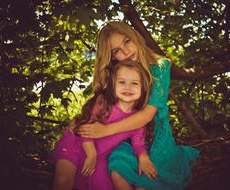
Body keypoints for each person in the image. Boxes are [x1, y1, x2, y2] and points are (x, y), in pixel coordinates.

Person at [75, 21, 200, 190]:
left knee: (144, 182)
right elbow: (98, 105)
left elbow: (147, 115)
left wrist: (105, 130)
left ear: (135, 36)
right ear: (112, 56)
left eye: (127, 41)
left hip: (154, 138)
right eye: (116, 50)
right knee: (118, 172)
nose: (125, 51)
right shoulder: (118, 72)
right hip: (123, 138)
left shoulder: (160, 66)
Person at [52, 60, 157, 190]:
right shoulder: (104, 104)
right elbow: (86, 129)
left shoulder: (137, 119)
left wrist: (143, 157)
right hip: (79, 144)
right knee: (63, 181)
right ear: (113, 85)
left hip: (101, 155)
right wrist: (91, 154)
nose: (128, 87)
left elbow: (138, 144)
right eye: (122, 82)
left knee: (102, 184)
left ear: (143, 88)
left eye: (134, 83)